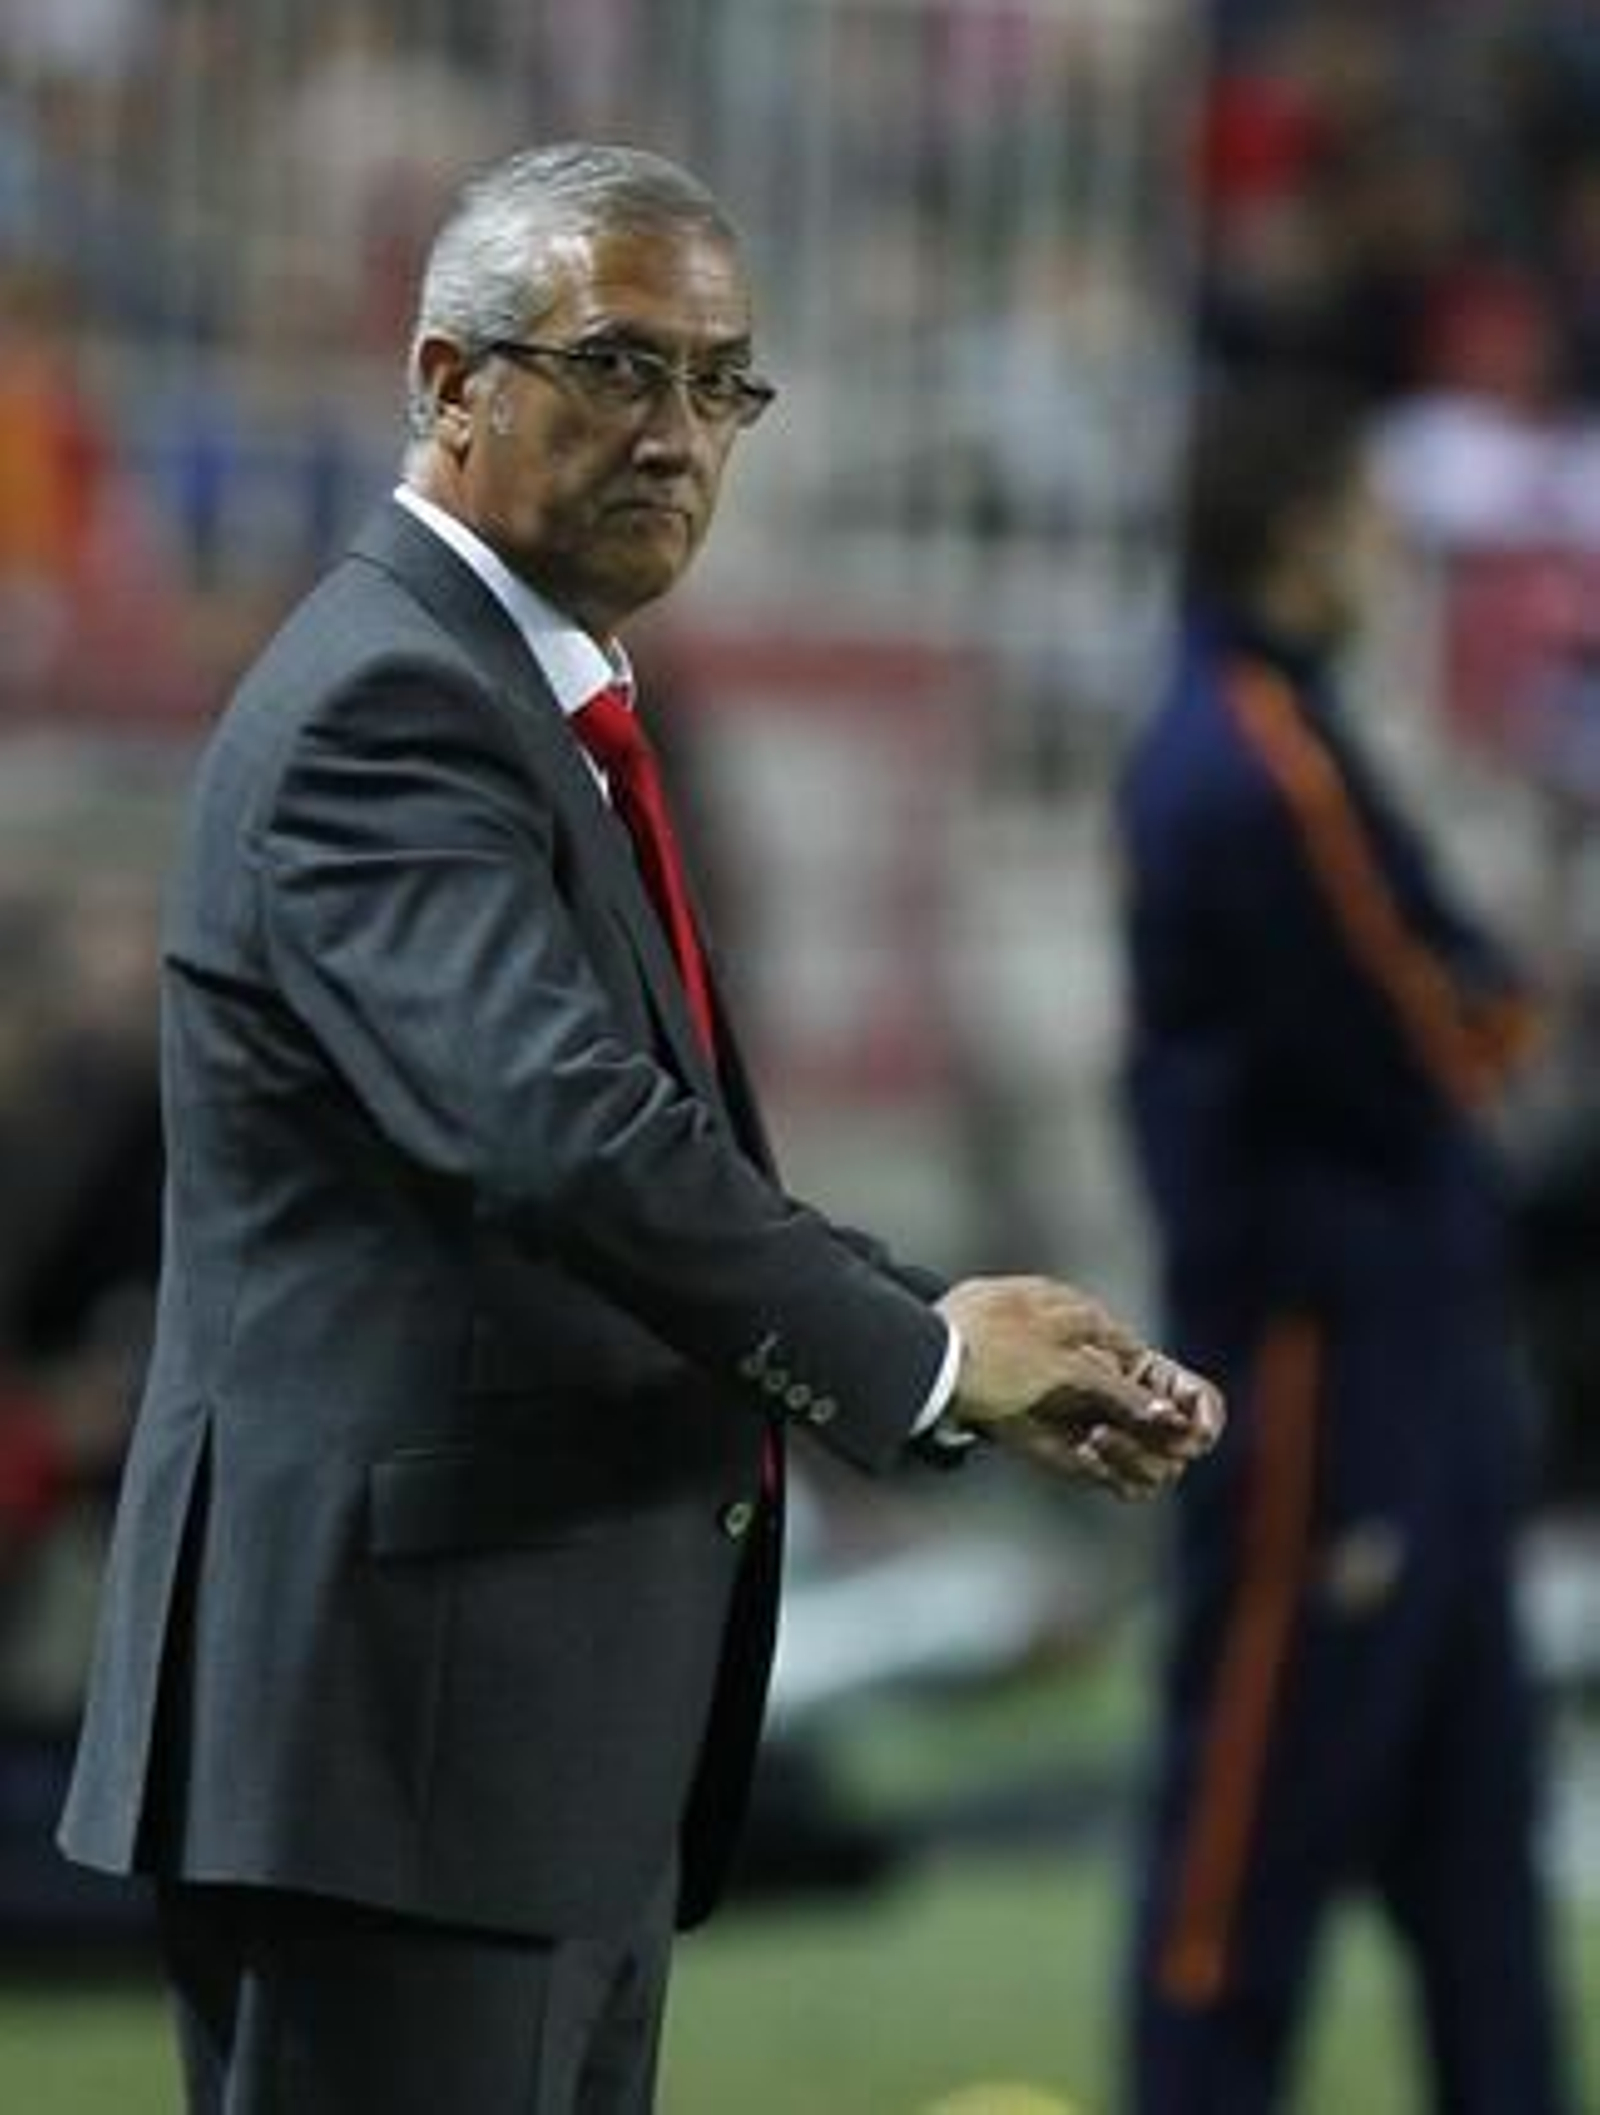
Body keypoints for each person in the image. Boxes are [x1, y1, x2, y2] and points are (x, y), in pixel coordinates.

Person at [58, 142, 1221, 2115]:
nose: (675, 433)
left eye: (716, 382)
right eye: (612, 367)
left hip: (511, 1744)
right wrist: (922, 1362)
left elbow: (629, 1158)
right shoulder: (387, 707)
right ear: (445, 380)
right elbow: (565, 1140)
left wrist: (933, 1316)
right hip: (395, 1746)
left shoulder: (524, 700)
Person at [1115, 375, 1572, 2114]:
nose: (1390, 548)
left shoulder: (1264, 735)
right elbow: (1444, 1026)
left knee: (1474, 1827)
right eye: (1366, 514)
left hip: (1413, 1349)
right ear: (1302, 530)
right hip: (1322, 1359)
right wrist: (1509, 997)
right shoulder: (1258, 761)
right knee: (1257, 1802)